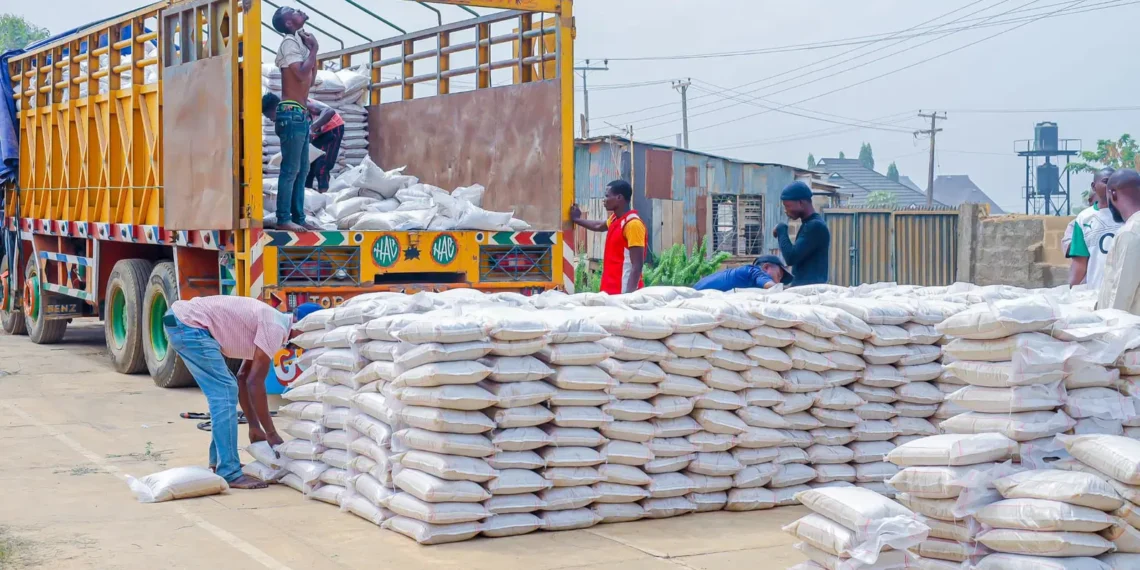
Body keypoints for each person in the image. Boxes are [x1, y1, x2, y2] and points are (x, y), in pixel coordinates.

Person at [164, 297, 322, 489]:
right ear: (301, 325)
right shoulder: (275, 328)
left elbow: (244, 377)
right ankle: (229, 472)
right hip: (189, 324)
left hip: (182, 321)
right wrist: (270, 433)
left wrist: (254, 426)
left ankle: (220, 462)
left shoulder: (273, 326)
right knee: (224, 392)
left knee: (226, 391)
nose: (308, 344)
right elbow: (255, 383)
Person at [270, 6, 321, 231]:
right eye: (293, 10)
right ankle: (283, 219)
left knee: (302, 169)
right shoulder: (289, 43)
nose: (299, 9)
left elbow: (309, 79)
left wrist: (313, 51)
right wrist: (314, 49)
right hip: (291, 114)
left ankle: (298, 218)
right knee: (291, 170)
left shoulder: (299, 43)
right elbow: (301, 73)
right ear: (289, 23)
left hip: (299, 115)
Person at [570, 180, 646, 295]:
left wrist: (628, 297)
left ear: (619, 197)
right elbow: (598, 226)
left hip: (623, 292)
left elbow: (637, 265)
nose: (604, 200)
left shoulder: (633, 224)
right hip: (611, 290)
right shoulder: (616, 219)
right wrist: (577, 219)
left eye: (607, 196)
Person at [261, 93, 344, 192]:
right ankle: (308, 200)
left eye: (273, 117)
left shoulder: (297, 104)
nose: (272, 120)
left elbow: (329, 111)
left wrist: (312, 128)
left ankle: (325, 201)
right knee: (305, 169)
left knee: (321, 167)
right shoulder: (281, 123)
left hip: (332, 128)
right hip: (315, 135)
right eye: (270, 119)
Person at [1068, 168, 1121, 287]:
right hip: (1096, 291)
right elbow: (1080, 263)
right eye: (1106, 181)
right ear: (1094, 186)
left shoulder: (1130, 214)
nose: (1111, 185)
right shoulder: (1083, 218)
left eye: (1116, 182)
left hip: (1126, 291)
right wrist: (1070, 291)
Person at [1097, 168, 1140, 315]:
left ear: (1113, 194)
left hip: (1129, 331)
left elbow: (1122, 293)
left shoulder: (1131, 231)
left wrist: (1108, 327)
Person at [773, 180, 830, 286]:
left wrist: (781, 229)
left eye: (787, 206)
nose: (786, 211)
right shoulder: (809, 224)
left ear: (800, 203)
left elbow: (791, 257)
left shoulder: (815, 226)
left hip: (810, 290)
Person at [694, 254, 793, 292]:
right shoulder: (755, 271)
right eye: (779, 275)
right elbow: (772, 287)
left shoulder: (744, 274)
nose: (778, 281)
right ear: (766, 267)